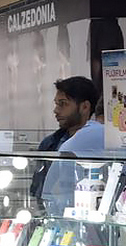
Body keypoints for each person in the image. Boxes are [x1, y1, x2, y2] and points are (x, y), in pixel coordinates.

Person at [41, 76, 99, 209]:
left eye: (63, 104)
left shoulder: (102, 142)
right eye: (56, 104)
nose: (56, 110)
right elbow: (40, 191)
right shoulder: (50, 144)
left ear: (84, 107)